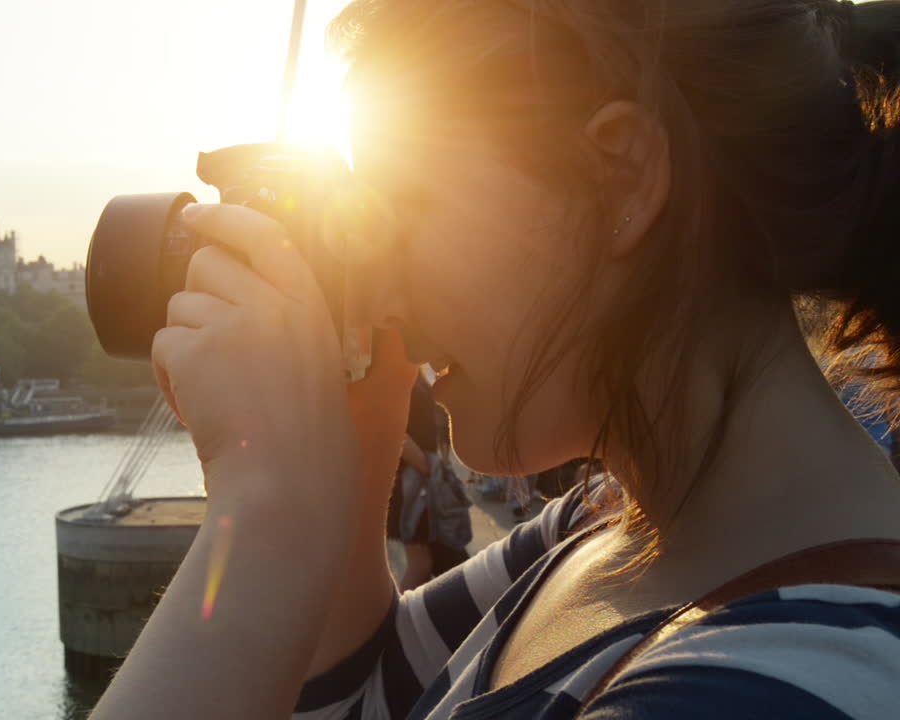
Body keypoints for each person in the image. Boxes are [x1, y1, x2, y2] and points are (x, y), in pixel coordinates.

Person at [90, 0, 900, 718]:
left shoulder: (788, 681)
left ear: (618, 177)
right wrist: (354, 441)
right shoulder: (600, 528)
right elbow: (363, 695)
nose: (383, 287)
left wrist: (267, 508)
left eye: (403, 207)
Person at [388, 377, 468, 590]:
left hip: (419, 480)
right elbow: (396, 429)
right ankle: (396, 620)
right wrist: (429, 468)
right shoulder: (397, 376)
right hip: (413, 483)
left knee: (428, 561)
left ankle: (402, 617)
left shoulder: (414, 374)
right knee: (422, 563)